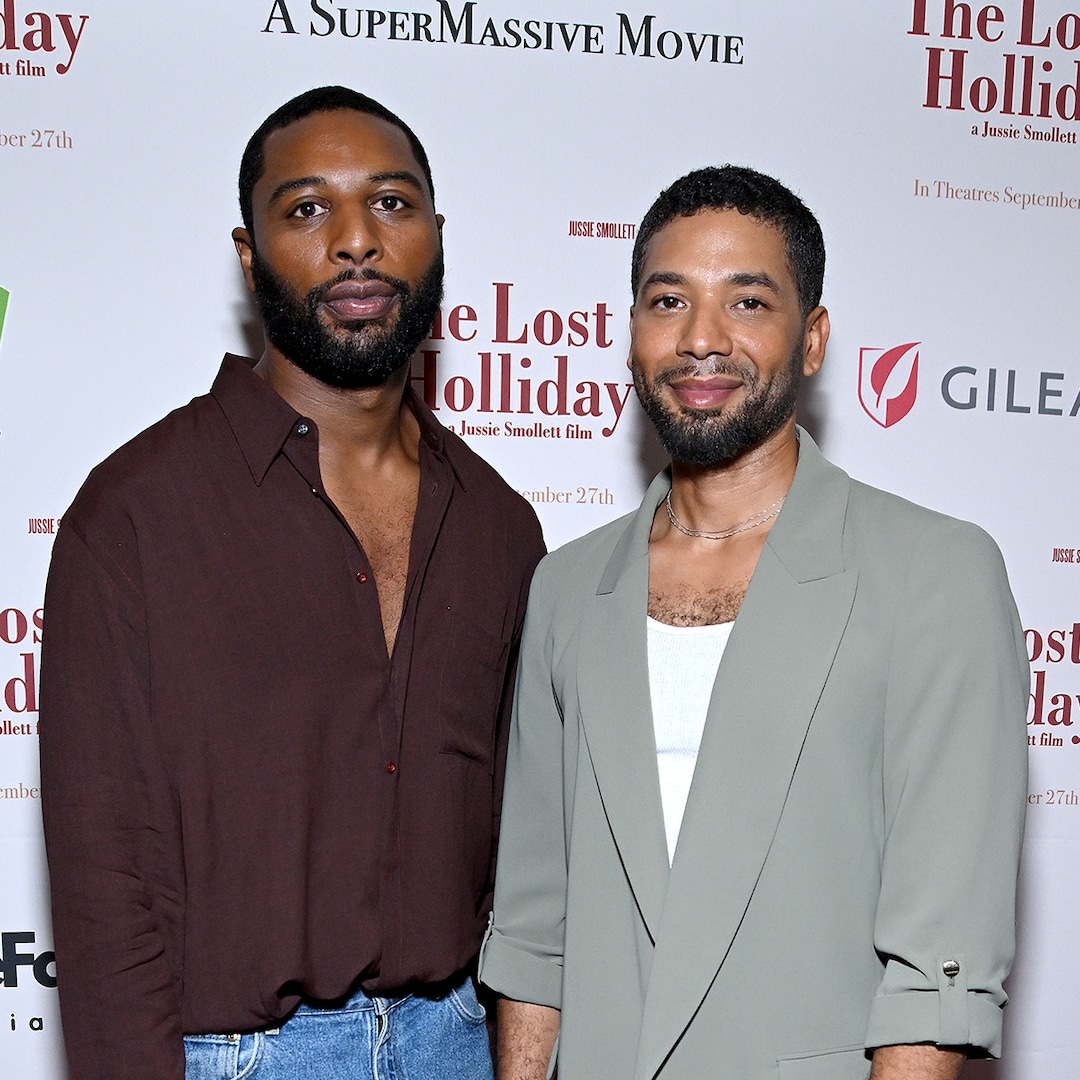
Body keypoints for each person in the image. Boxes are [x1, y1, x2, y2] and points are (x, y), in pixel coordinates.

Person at [479, 165, 1028, 1080]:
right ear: (631, 333)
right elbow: (536, 934)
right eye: (668, 301)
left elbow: (936, 974)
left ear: (812, 339)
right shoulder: (568, 588)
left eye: (747, 302)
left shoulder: (936, 575)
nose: (702, 338)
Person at [39, 85, 544, 1080]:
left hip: (457, 1043)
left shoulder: (499, 526)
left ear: (437, 236)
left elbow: (526, 857)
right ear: (250, 253)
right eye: (308, 208)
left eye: (391, 203)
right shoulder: (135, 514)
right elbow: (105, 880)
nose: (356, 239)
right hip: (235, 1058)